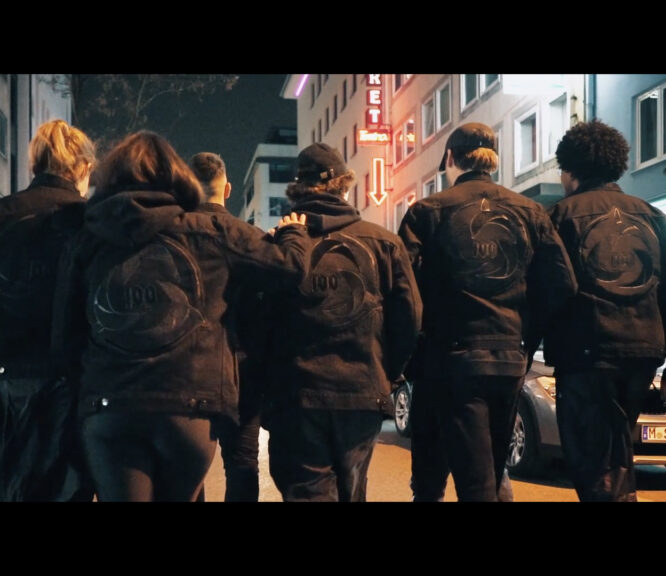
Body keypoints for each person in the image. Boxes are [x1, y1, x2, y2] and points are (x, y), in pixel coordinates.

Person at [53, 131, 308, 502]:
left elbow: (65, 336)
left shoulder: (88, 238)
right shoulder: (211, 231)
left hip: (110, 405)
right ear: (175, 177)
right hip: (189, 406)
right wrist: (294, 231)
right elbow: (289, 268)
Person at [399, 123, 577, 502]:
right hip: (508, 357)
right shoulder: (531, 212)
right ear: (493, 160)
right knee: (490, 472)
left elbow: (402, 289)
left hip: (447, 356)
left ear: (450, 158)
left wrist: (408, 351)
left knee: (456, 478)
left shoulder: (427, 212)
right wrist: (525, 337)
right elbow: (562, 284)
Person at [261, 143, 422, 502]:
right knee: (352, 491)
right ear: (344, 187)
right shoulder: (384, 243)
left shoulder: (278, 244)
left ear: (297, 190)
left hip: (297, 393)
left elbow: (257, 324)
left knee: (307, 491)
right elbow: (410, 317)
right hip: (362, 389)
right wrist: (387, 372)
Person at [545, 119, 666, 502]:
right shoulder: (655, 217)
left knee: (594, 462)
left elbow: (547, 291)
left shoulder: (559, 217)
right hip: (642, 355)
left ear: (570, 170)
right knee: (616, 452)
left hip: (585, 355)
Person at [0, 119, 96, 501]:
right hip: (72, 391)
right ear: (83, 167)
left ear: (35, 164)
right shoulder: (92, 222)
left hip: (4, 391)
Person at [189, 151, 264, 502]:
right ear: (228, 189)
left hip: (188, 368)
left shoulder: (173, 234)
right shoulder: (249, 237)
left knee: (188, 466)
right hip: (241, 371)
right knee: (242, 462)